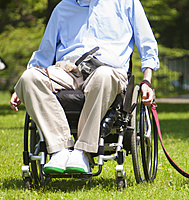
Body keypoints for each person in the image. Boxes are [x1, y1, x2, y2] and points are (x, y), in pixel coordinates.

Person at [10, 0, 159, 174]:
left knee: (103, 74)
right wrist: (22, 89)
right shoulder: (62, 8)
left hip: (108, 71)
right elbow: (44, 53)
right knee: (28, 78)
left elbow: (147, 44)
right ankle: (60, 150)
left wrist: (147, 81)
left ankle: (83, 151)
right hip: (68, 70)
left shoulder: (126, 3)